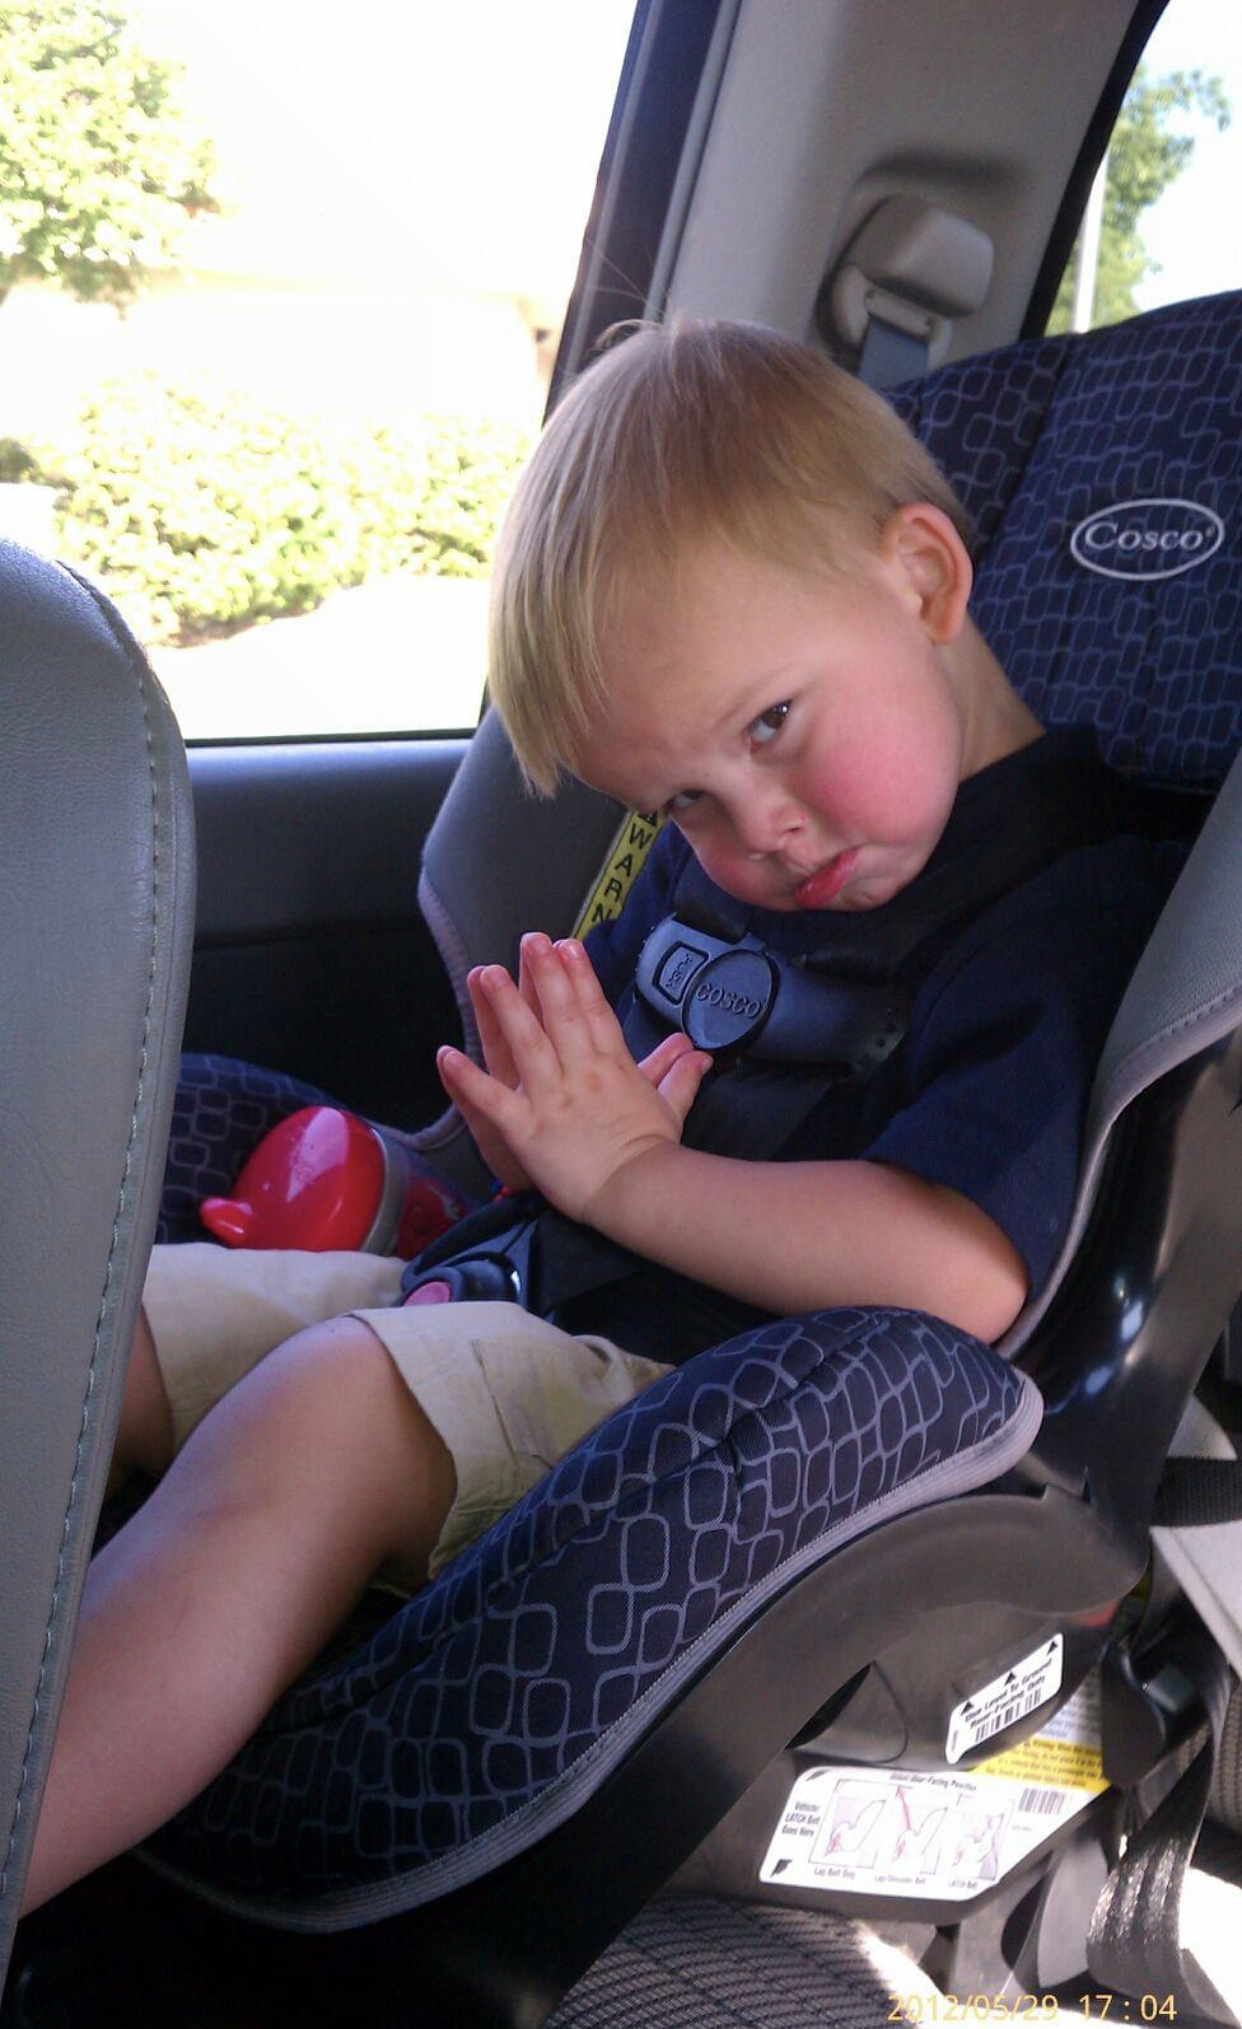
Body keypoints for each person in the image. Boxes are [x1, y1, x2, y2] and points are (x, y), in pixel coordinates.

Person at [21, 320, 1179, 1914]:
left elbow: (964, 1277)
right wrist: (522, 1154)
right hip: (531, 1295)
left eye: (769, 726)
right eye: (681, 801)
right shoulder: (744, 864)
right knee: (99, 1331)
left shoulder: (1066, 900)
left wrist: (628, 1176)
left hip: (709, 1406)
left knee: (320, 1415)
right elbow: (614, 1124)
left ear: (920, 581)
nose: (752, 832)